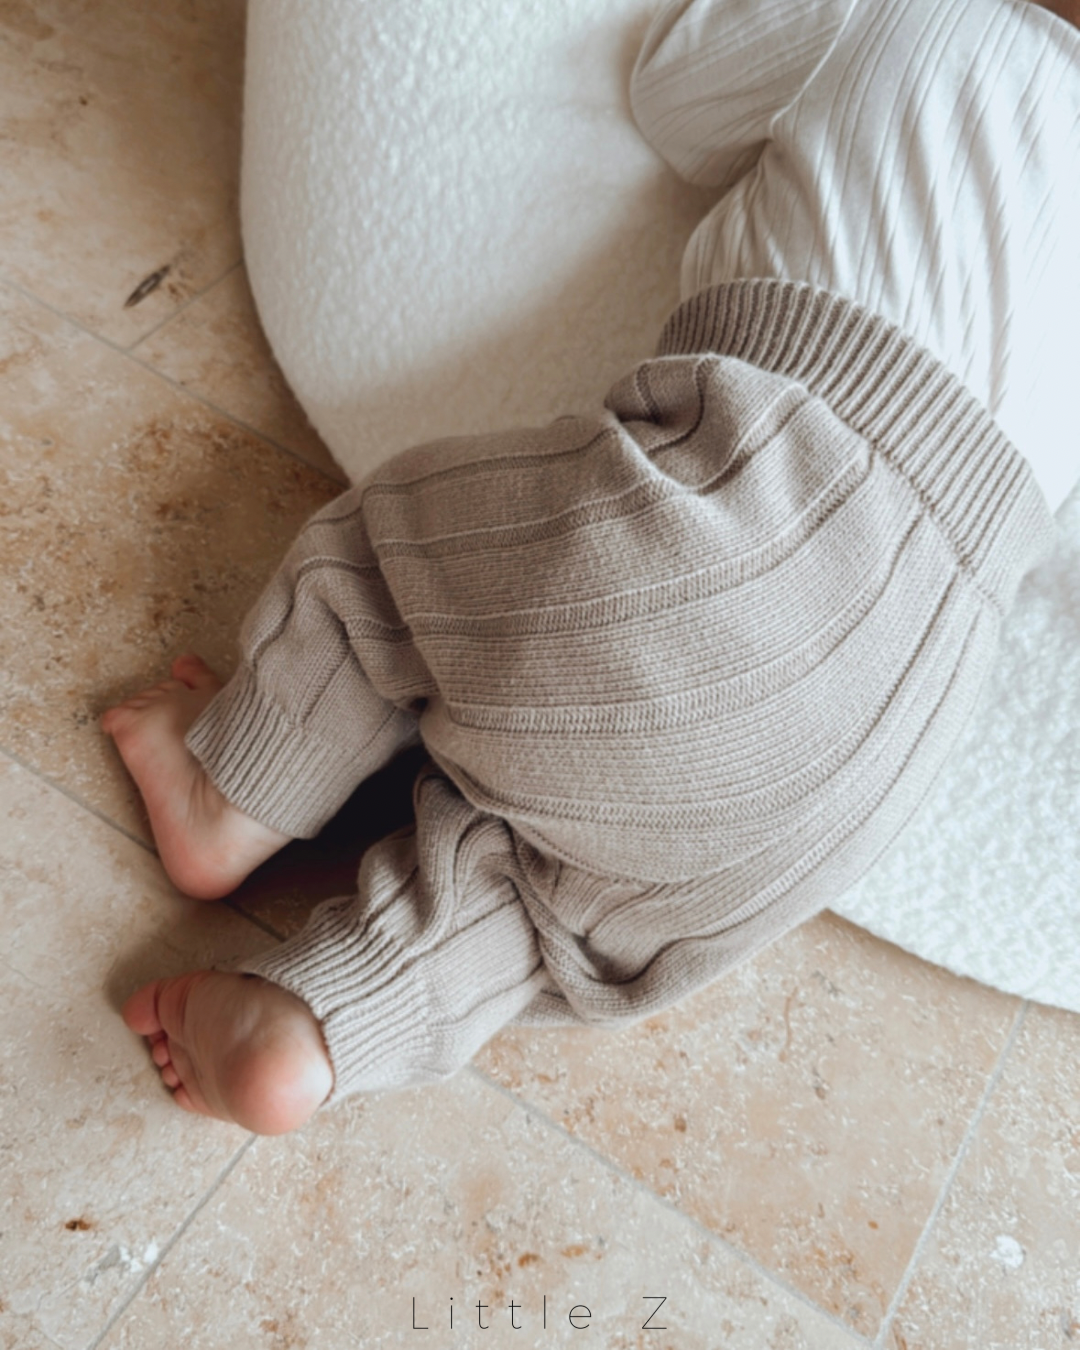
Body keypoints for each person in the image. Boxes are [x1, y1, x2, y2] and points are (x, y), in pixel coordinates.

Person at [103, 0, 1078, 1135]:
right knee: (542, 916)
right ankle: (321, 1029)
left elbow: (675, 99)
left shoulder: (917, 18)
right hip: (890, 740)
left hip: (736, 539)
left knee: (391, 575)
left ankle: (235, 795)